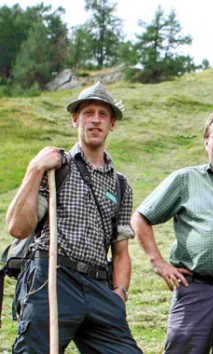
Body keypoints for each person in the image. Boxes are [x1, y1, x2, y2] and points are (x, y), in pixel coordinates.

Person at [6, 82, 142, 353]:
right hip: (53, 277)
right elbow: (17, 228)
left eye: (103, 114)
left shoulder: (120, 185)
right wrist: (35, 169)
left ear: (111, 124)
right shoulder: (56, 169)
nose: (95, 119)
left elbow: (121, 252)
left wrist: (119, 295)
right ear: (75, 119)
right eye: (88, 112)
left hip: (99, 288)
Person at [131, 109, 213, 354]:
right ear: (207, 142)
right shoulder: (185, 180)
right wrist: (158, 263)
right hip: (195, 291)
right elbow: (140, 218)